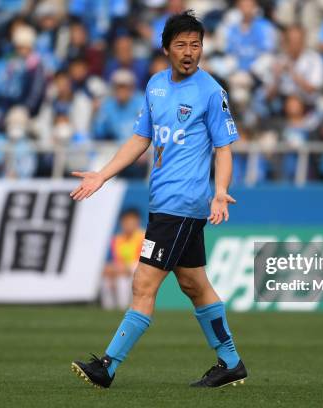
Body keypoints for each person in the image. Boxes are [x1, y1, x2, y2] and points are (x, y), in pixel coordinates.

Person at [69, 10, 247, 389]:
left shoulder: (212, 92)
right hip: (163, 203)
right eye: (181, 44)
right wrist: (102, 174)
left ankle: (107, 365)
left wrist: (219, 192)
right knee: (194, 285)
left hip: (181, 205)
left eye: (195, 45)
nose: (189, 52)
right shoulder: (155, 86)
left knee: (143, 284)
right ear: (166, 48)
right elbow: (140, 139)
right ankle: (230, 361)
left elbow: (225, 148)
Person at [100, 208, 145, 310]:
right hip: (122, 270)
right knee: (107, 276)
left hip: (139, 269)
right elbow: (116, 261)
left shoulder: (144, 236)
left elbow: (145, 260)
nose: (128, 224)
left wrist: (126, 268)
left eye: (131, 221)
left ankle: (123, 307)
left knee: (122, 279)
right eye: (126, 221)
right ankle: (108, 309)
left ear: (137, 222)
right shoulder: (117, 239)